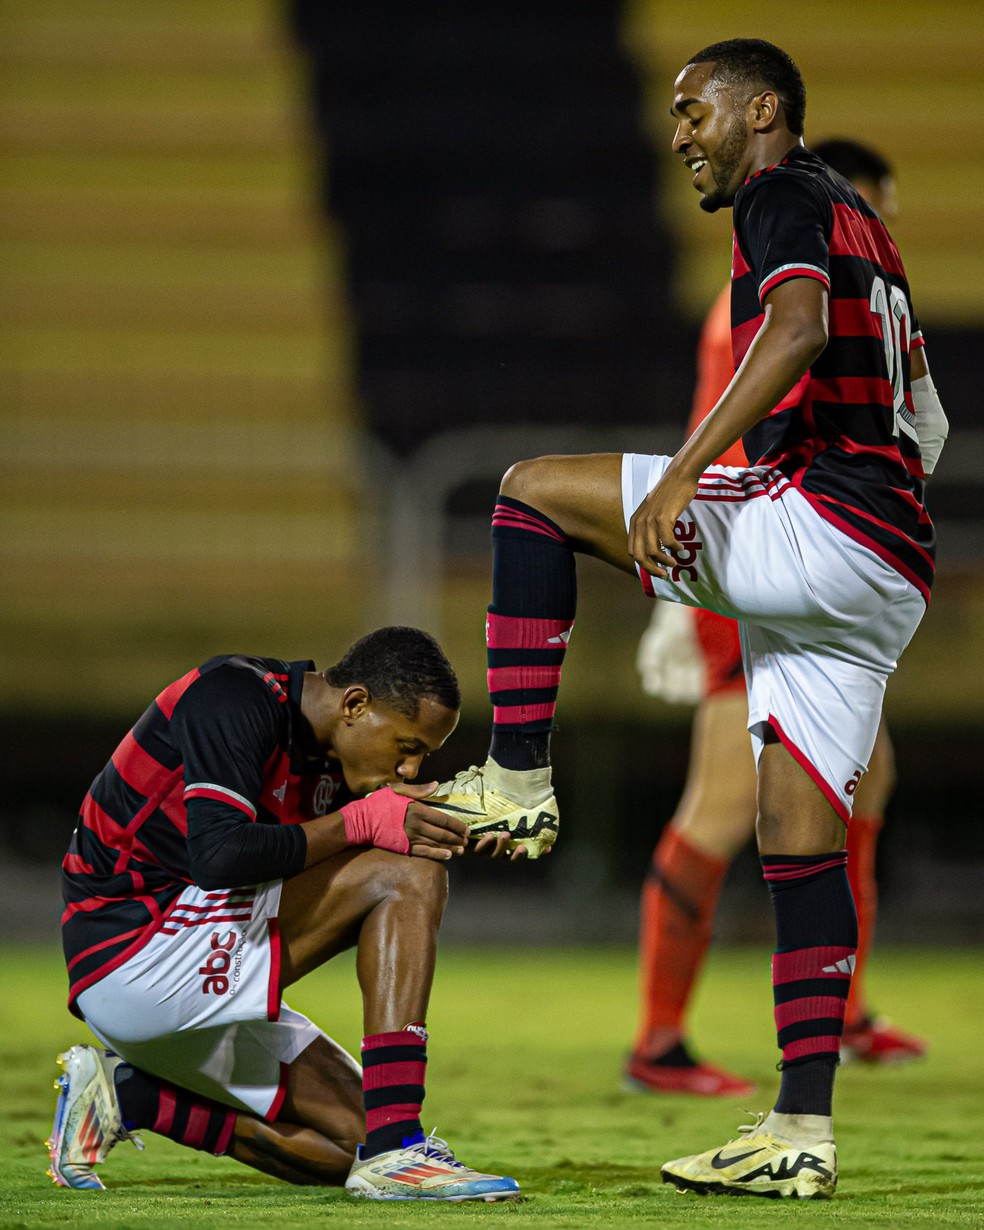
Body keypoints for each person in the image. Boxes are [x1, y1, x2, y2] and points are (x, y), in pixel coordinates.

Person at [431, 39, 948, 1199]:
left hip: (824, 527)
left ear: (762, 109)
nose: (679, 132)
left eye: (693, 107)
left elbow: (798, 331)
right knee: (798, 840)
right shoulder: (872, 227)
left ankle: (516, 774)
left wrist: (687, 478)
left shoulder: (780, 194)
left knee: (526, 492)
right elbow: (927, 421)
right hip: (888, 569)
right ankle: (799, 1133)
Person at [626, 139, 926, 1101]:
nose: (878, 227)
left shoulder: (820, 282)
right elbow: (739, 416)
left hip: (806, 547)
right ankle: (659, 1037)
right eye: (872, 206)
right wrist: (687, 592)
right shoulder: (780, 293)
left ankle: (845, 1014)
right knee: (721, 811)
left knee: (866, 783)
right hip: (764, 547)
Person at [46, 627, 521, 1202]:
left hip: (186, 955)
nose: (410, 770)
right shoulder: (233, 695)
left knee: (352, 1147)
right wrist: (362, 824)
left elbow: (367, 835)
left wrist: (474, 820)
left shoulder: (335, 756)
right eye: (407, 745)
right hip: (131, 949)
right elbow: (220, 857)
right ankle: (399, 1147)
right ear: (355, 704)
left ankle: (130, 1097)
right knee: (410, 876)